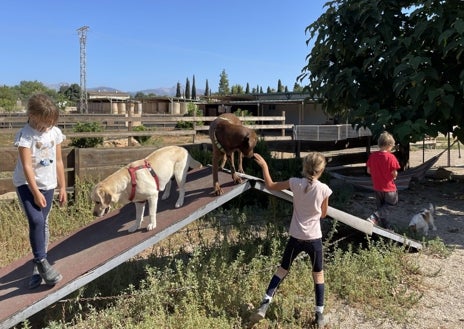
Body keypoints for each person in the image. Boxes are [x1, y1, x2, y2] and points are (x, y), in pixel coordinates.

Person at [250, 152, 332, 328]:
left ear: (304, 167)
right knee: (318, 275)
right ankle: (319, 313)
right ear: (321, 170)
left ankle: (265, 304)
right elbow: (324, 214)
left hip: (296, 236)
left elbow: (270, 185)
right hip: (314, 239)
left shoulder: (295, 182)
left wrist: (264, 165)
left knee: (282, 270)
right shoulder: (324, 189)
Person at [13, 93, 67, 289]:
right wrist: (35, 192)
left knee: (42, 223)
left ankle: (38, 267)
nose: (47, 127)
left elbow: (59, 161)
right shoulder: (25, 136)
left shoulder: (55, 133)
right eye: (45, 122)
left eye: (51, 123)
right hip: (26, 185)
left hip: (49, 184)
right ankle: (42, 262)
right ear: (32, 115)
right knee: (35, 220)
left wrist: (62, 186)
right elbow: (27, 167)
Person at [366, 131, 400, 229]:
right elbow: (394, 173)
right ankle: (374, 217)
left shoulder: (372, 156)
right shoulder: (391, 157)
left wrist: (377, 174)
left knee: (381, 208)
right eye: (392, 146)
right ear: (389, 145)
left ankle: (386, 227)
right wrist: (395, 176)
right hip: (389, 188)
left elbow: (369, 171)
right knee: (392, 203)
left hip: (377, 187)